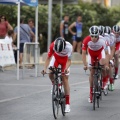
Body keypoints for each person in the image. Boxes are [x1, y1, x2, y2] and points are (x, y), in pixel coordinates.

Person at [41, 37, 72, 113]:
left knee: (64, 78)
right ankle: (54, 84)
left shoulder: (69, 47)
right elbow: (48, 58)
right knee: (50, 71)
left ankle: (67, 104)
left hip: (65, 60)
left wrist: (66, 68)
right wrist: (44, 69)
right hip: (56, 58)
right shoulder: (52, 45)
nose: (59, 51)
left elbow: (69, 61)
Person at [82, 25, 109, 103]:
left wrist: (106, 64)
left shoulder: (103, 40)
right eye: (92, 36)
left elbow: (107, 53)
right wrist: (85, 64)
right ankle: (91, 93)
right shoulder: (86, 40)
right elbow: (83, 53)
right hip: (91, 54)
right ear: (90, 35)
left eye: (95, 36)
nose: (93, 38)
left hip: (100, 53)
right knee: (92, 72)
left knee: (103, 65)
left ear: (98, 35)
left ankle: (104, 81)